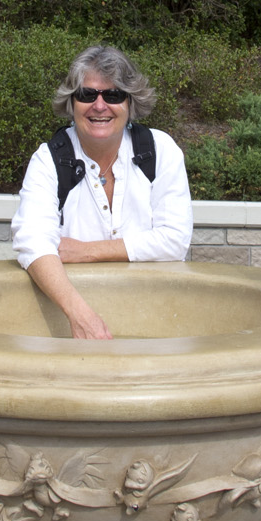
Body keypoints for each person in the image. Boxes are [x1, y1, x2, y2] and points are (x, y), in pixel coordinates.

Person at [11, 45, 193, 340]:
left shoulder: (161, 151)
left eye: (113, 95)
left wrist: (86, 251)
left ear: (131, 103)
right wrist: (81, 316)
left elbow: (175, 240)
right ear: (71, 103)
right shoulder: (48, 160)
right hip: (72, 324)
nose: (99, 106)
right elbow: (33, 243)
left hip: (156, 325)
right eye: (87, 95)